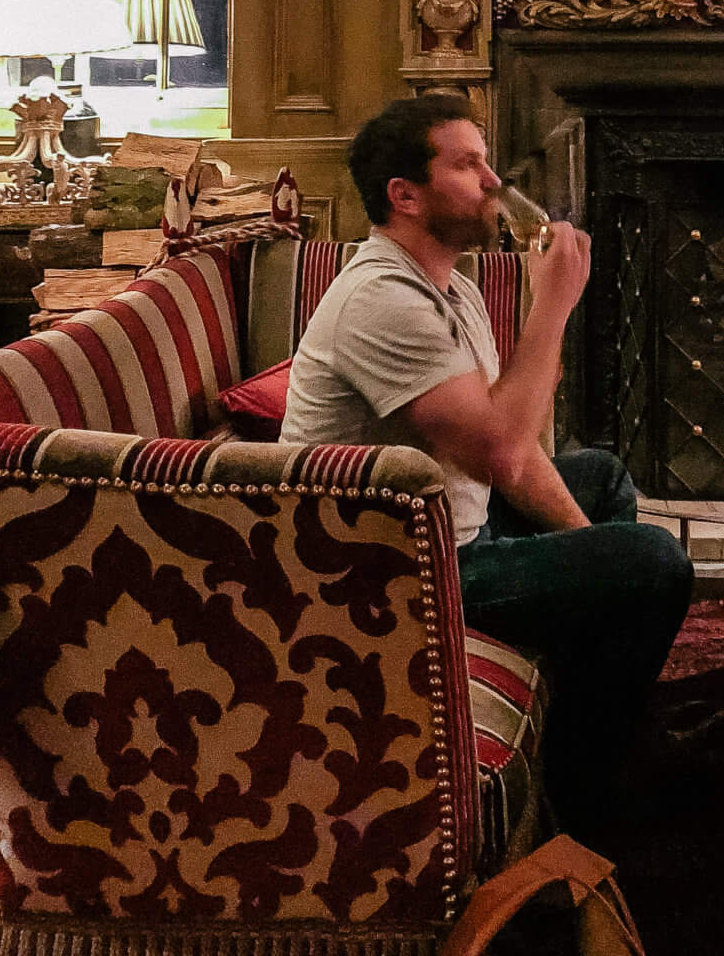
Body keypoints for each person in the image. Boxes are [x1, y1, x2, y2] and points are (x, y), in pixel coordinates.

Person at [280, 93, 693, 838]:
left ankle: (587, 714)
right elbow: (503, 446)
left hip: (446, 524)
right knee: (655, 562)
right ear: (405, 195)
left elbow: (511, 446)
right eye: (468, 165)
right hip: (381, 565)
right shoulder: (382, 301)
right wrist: (554, 307)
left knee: (599, 475)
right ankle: (590, 788)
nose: (495, 182)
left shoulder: (452, 285)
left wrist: (577, 544)